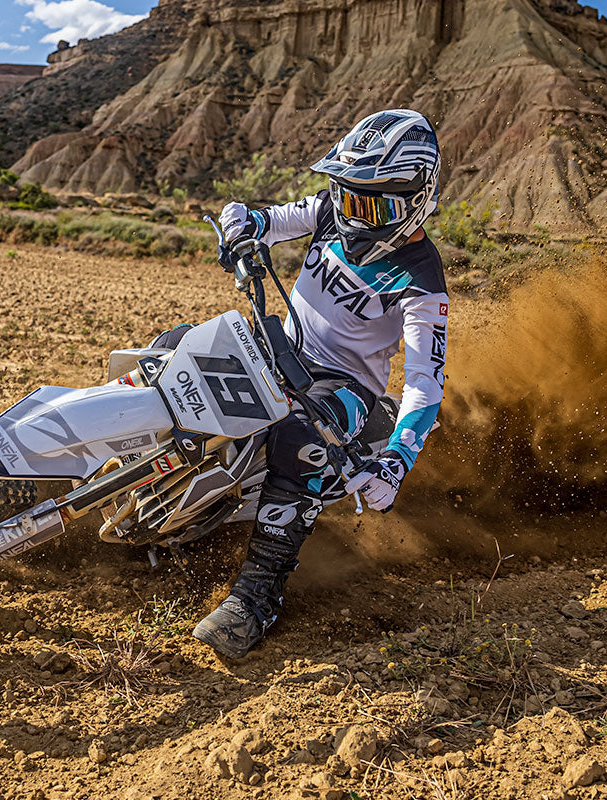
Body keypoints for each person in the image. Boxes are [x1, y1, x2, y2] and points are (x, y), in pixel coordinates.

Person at [191, 108, 449, 658]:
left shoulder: (423, 282)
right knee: (178, 348)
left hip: (346, 388)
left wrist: (397, 461)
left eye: (370, 204)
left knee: (301, 443)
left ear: (416, 197)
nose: (352, 213)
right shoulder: (332, 209)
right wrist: (242, 222)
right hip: (278, 348)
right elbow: (269, 220)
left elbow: (425, 383)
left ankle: (256, 597)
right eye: (347, 195)